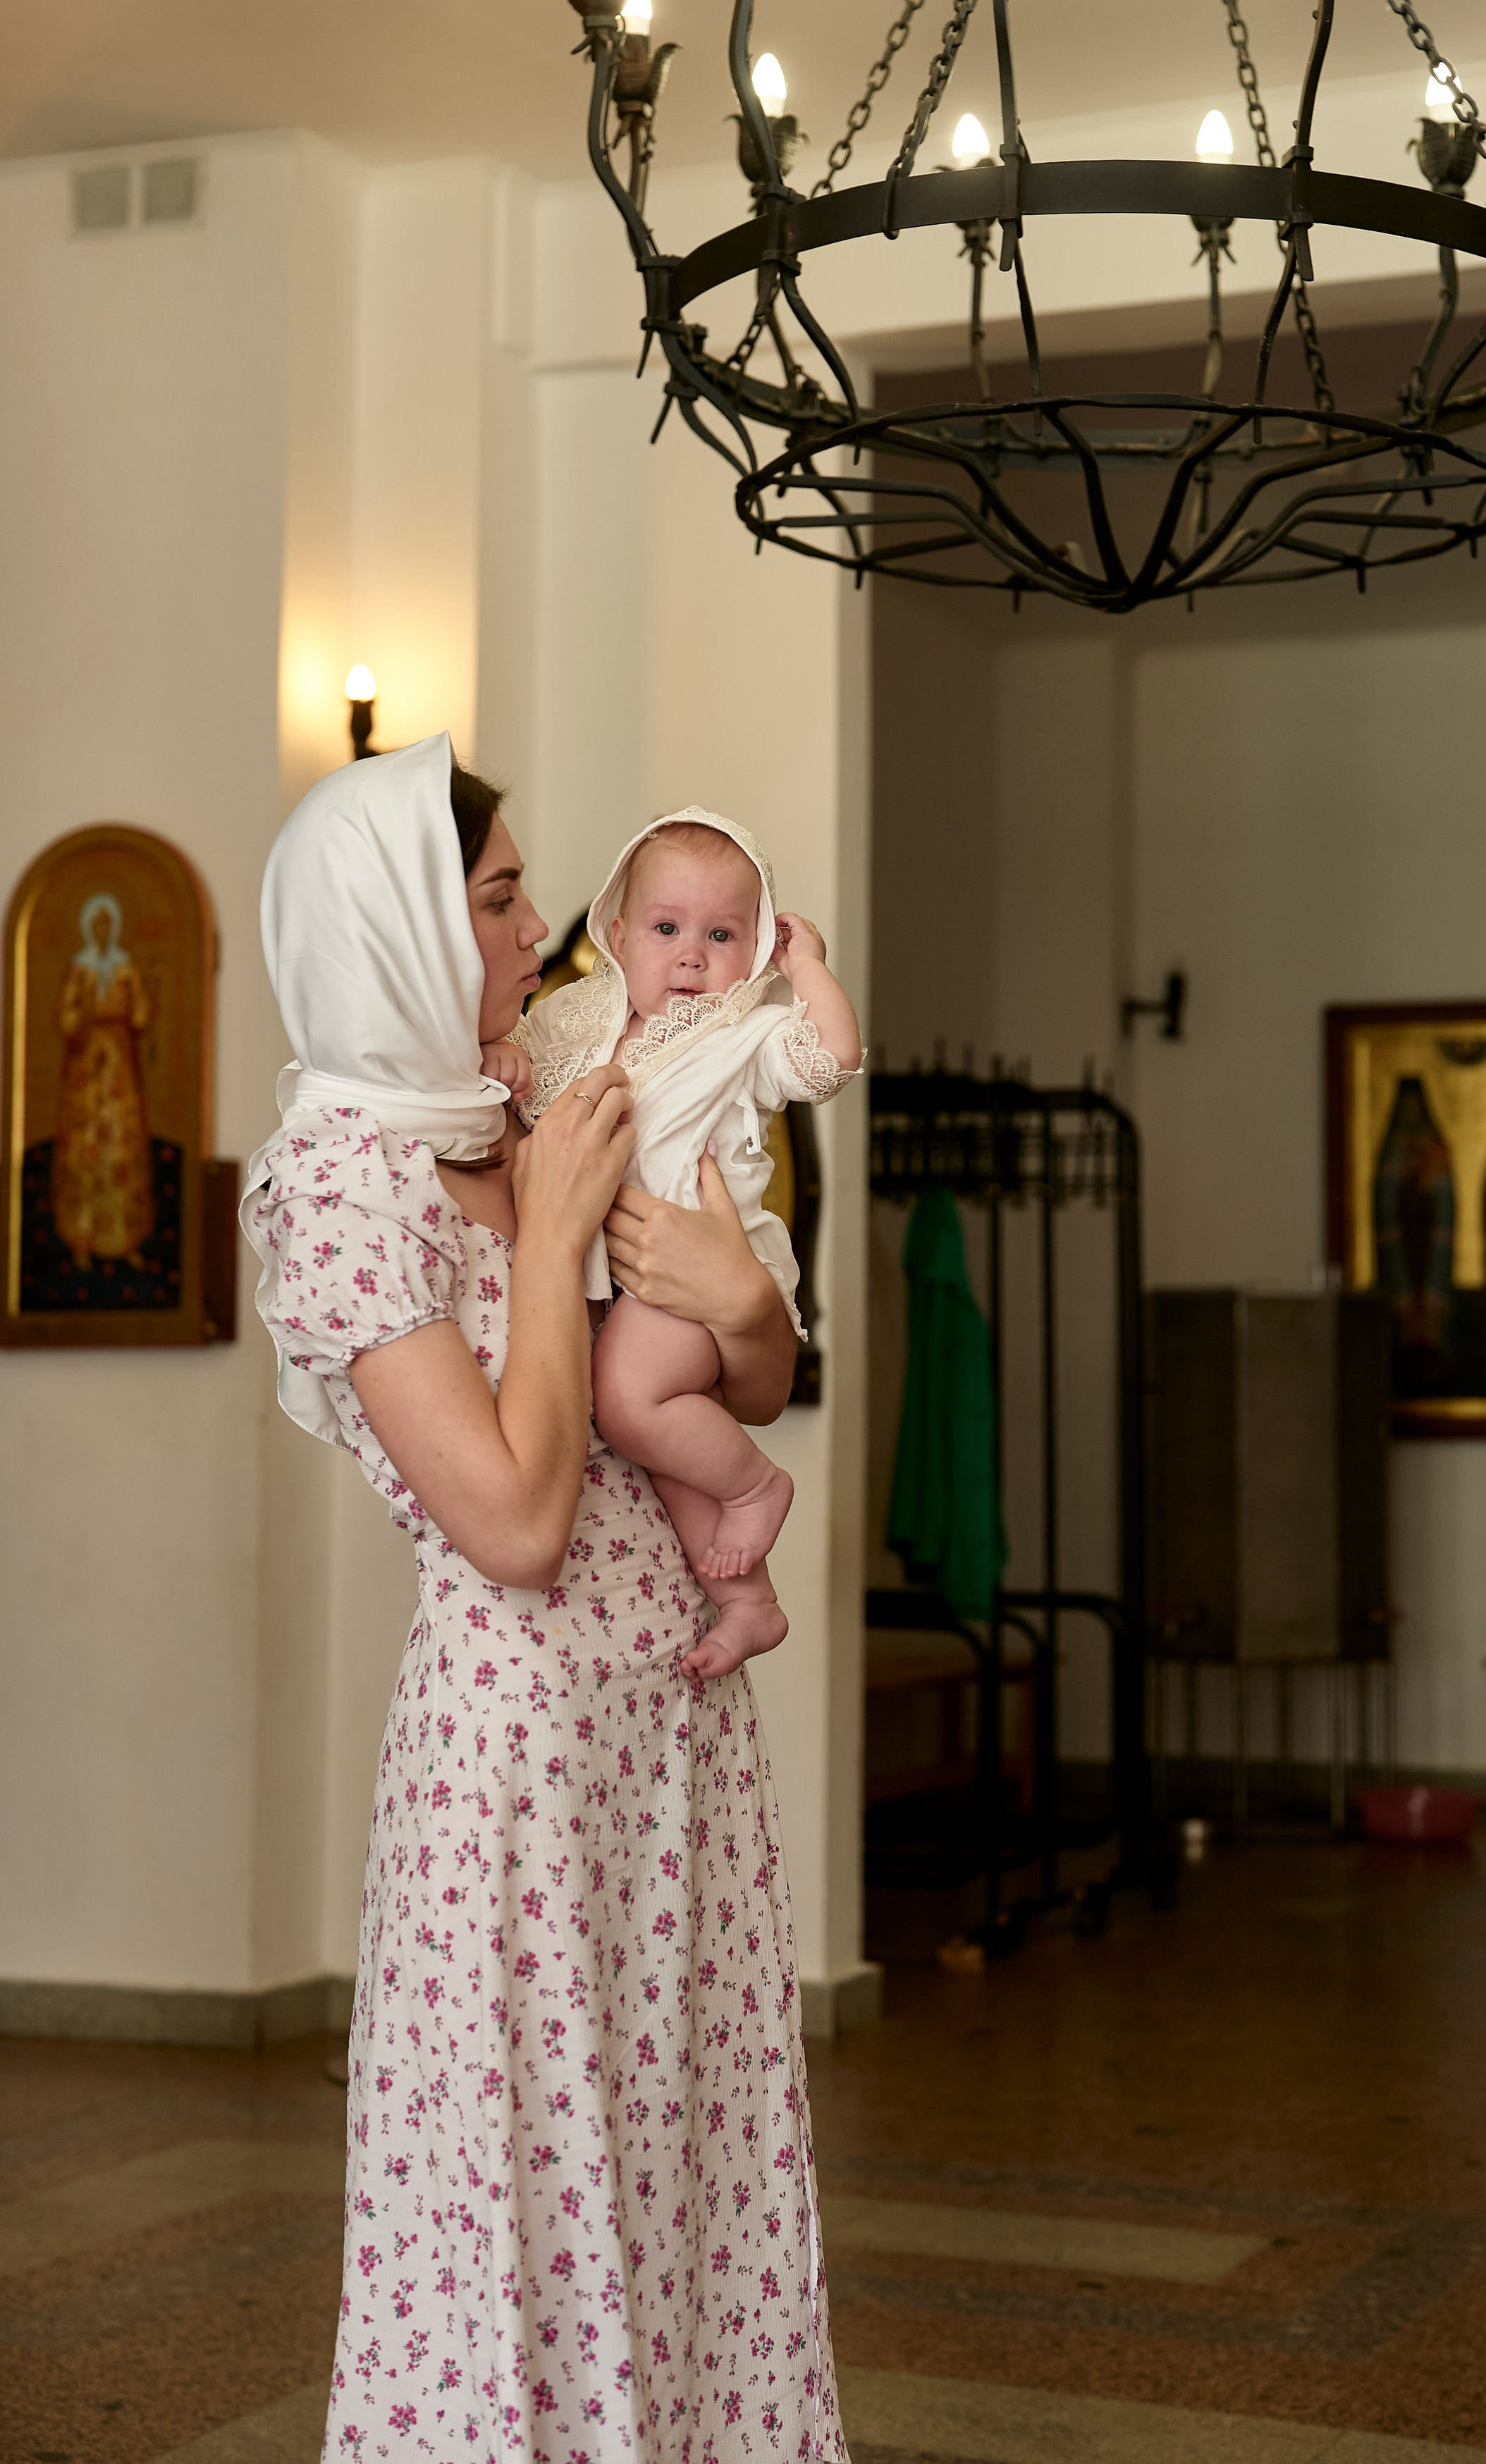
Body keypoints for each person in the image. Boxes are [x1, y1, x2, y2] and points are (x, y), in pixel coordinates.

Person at [240, 733, 846, 2464]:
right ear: (407, 923)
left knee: (676, 2176)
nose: (534, 933)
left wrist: (739, 1296)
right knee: (517, 2204)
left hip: (668, 1715)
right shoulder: (342, 1177)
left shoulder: (536, 1092)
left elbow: (750, 1384)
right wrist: (541, 1238)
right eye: (499, 896)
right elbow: (510, 1519)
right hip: (511, 1759)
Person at [500, 811, 861, 1681]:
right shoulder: (578, 1026)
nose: (693, 955)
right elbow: (522, 1087)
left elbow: (832, 1060)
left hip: (701, 1268)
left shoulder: (744, 1033)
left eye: (723, 935)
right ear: (617, 937)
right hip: (641, 1281)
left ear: (756, 948)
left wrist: (805, 969)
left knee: (625, 1401)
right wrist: (503, 1064)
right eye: (667, 929)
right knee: (652, 1451)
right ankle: (746, 1601)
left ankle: (754, 1486)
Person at [52, 892, 156, 1267]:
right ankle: (83, 1237)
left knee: (121, 1145)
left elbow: (142, 1015)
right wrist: (80, 1012)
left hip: (119, 1068)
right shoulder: (79, 969)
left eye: (107, 924)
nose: (101, 930)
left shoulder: (126, 969)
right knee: (87, 1146)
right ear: (87, 927)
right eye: (96, 924)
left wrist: (141, 1000)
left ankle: (125, 1240)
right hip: (85, 1072)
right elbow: (65, 1019)